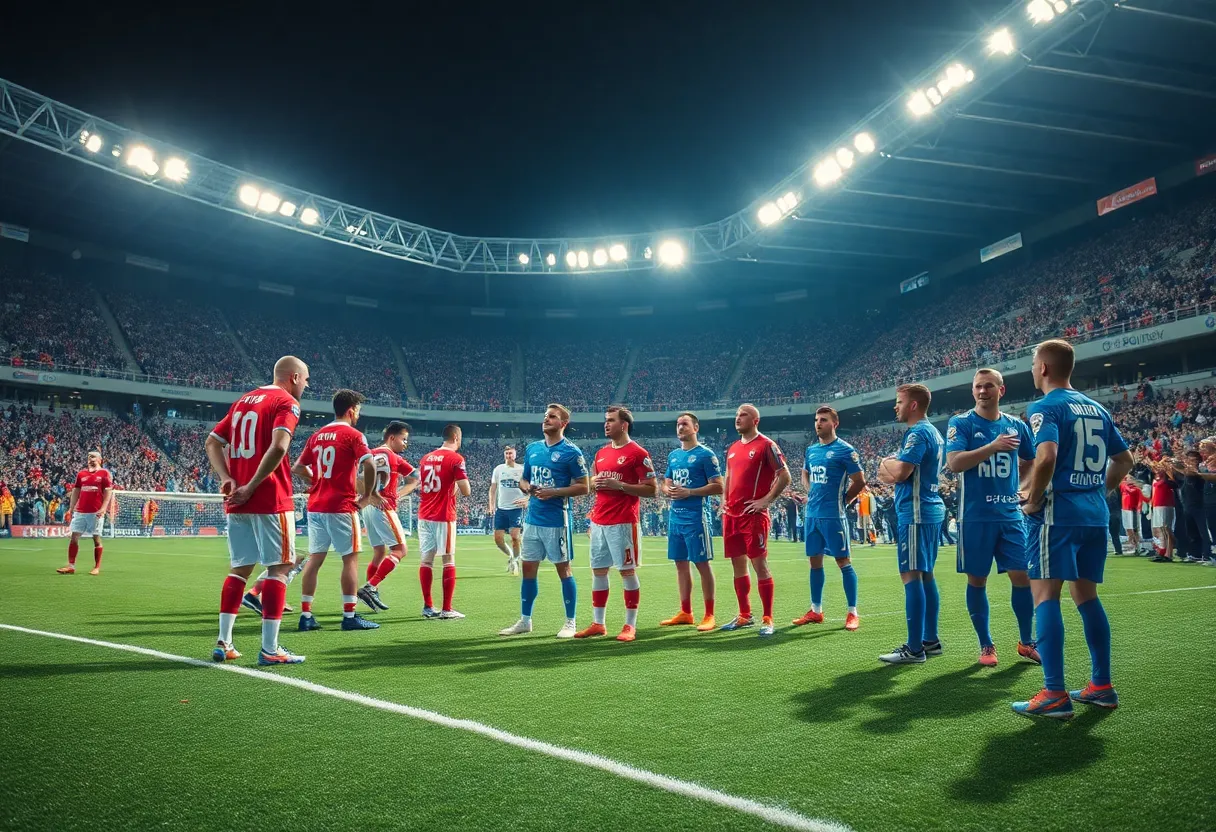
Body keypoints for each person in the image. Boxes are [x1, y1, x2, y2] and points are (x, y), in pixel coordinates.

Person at [1012, 339, 1132, 719]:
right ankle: (1101, 686)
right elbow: (1125, 460)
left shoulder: (1045, 407)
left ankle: (1054, 693)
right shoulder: (1097, 408)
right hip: (1093, 516)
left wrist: (1033, 498)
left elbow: (1046, 456)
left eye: (1033, 363)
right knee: (1087, 596)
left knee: (1045, 596)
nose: (1033, 369)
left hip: (1057, 516)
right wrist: (1096, 491)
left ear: (1044, 368)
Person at [203, 355, 309, 666]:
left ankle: (224, 642)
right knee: (280, 568)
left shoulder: (243, 401)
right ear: (293, 377)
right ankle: (270, 649)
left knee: (239, 569)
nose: (306, 385)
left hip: (237, 501)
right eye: (305, 379)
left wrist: (226, 477)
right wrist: (251, 485)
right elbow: (279, 446)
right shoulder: (286, 402)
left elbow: (212, 442)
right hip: (270, 498)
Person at [945, 369, 1040, 667]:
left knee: (1022, 576)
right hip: (975, 516)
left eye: (988, 386)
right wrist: (992, 447)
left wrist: (1025, 488)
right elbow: (954, 463)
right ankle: (986, 644)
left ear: (1002, 389)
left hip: (1010, 514)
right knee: (978, 579)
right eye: (978, 387)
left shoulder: (1016, 425)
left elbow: (1031, 460)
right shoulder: (961, 423)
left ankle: (1026, 641)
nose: (982, 391)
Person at [291, 389, 381, 632]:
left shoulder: (317, 435)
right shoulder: (354, 435)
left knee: (315, 559)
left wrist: (318, 481)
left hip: (316, 507)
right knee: (350, 559)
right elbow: (370, 464)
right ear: (351, 410)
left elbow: (298, 467)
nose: (358, 416)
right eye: (358, 411)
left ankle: (306, 616)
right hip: (341, 506)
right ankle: (349, 616)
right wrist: (367, 496)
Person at [499, 404, 590, 638]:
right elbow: (523, 480)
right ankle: (525, 620)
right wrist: (527, 488)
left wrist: (554, 492)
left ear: (563, 423)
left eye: (552, 417)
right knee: (528, 569)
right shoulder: (533, 448)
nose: (546, 419)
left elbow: (584, 486)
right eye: (545, 416)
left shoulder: (572, 452)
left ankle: (570, 622)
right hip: (532, 520)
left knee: (564, 570)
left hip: (557, 521)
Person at [876, 383, 946, 665]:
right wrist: (889, 469)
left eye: (900, 401)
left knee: (911, 575)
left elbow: (900, 472)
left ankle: (915, 648)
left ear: (913, 405)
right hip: (929, 509)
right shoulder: (934, 432)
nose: (896, 406)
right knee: (926, 574)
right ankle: (930, 640)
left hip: (916, 511)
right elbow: (891, 473)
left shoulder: (917, 433)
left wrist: (885, 464)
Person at [576, 406, 656, 642]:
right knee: (598, 571)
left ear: (624, 425)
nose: (606, 424)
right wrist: (595, 483)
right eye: (606, 420)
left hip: (623, 522)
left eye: (611, 420)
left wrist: (619, 485)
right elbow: (594, 484)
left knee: (626, 571)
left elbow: (652, 490)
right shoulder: (601, 453)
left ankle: (630, 625)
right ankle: (598, 623)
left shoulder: (638, 453)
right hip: (599, 521)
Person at [720, 404, 791, 637]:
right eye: (737, 415)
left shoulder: (766, 445)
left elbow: (785, 475)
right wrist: (723, 501)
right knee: (737, 565)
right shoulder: (732, 448)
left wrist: (766, 500)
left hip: (753, 516)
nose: (738, 418)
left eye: (743, 415)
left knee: (759, 564)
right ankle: (744, 614)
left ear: (755, 420)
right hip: (731, 515)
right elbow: (728, 476)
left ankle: (768, 618)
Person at [793, 406, 865, 632]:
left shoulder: (845, 450)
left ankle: (853, 612)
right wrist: (811, 492)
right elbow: (805, 474)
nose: (818, 423)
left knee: (843, 562)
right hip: (812, 515)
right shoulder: (811, 450)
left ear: (835, 423)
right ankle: (816, 610)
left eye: (823, 420)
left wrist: (845, 500)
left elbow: (860, 480)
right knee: (814, 562)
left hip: (834, 515)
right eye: (816, 419)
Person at [659, 412, 722, 632]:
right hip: (675, 517)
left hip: (696, 517)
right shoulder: (674, 455)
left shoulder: (706, 454)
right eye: (678, 424)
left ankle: (709, 614)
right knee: (680, 564)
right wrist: (667, 489)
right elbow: (666, 481)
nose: (680, 428)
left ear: (696, 427)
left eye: (684, 424)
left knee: (702, 564)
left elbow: (719, 486)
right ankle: (686, 612)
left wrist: (690, 492)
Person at [357, 421, 420, 611]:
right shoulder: (391, 457)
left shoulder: (371, 453)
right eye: (403, 439)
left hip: (369, 507)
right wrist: (395, 495)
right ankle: (371, 586)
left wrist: (368, 495)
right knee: (400, 549)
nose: (405, 443)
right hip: (383, 506)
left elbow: (358, 479)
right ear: (392, 438)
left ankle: (370, 594)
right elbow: (416, 478)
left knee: (379, 552)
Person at [415, 424, 472, 619]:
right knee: (448, 559)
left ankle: (428, 606)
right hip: (443, 515)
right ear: (456, 437)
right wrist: (455, 484)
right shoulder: (456, 459)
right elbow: (466, 490)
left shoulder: (426, 458)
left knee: (426, 560)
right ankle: (447, 609)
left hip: (424, 514)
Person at [56, 450, 113, 575]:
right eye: (88, 457)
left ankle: (96, 567)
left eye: (92, 457)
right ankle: (71, 566)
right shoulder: (81, 474)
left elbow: (108, 491)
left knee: (96, 538)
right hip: (80, 511)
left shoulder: (104, 473)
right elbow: (76, 491)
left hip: (96, 512)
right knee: (74, 537)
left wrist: (103, 508)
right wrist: (71, 508)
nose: (90, 459)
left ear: (99, 460)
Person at [489, 445, 527, 575]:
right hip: (501, 509)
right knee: (498, 540)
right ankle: (511, 556)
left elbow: (531, 486)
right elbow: (493, 489)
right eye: (507, 453)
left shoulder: (522, 469)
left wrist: (527, 498)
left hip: (516, 509)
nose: (509, 455)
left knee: (515, 537)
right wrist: (491, 505)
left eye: (511, 453)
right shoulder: (498, 469)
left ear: (515, 455)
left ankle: (516, 560)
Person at [1119, 475, 1143, 554]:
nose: (1125, 480)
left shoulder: (1136, 489)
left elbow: (1130, 491)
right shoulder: (1124, 487)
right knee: (1128, 529)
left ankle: (1137, 547)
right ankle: (1133, 545)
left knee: (1135, 529)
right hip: (1125, 509)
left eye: (1127, 478)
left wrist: (1139, 509)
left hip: (1133, 510)